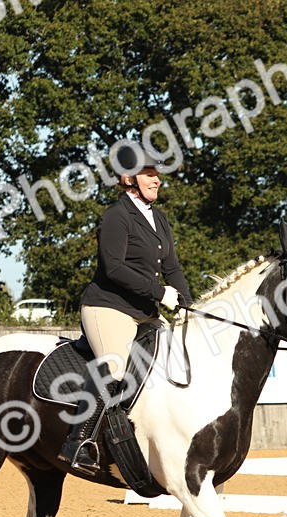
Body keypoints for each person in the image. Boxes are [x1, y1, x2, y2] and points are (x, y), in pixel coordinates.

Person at [58, 147, 193, 473]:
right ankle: (79, 443)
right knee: (115, 367)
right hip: (109, 307)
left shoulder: (158, 218)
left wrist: (188, 302)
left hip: (144, 310)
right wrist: (161, 293)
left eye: (157, 174)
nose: (157, 180)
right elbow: (114, 268)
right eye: (150, 174)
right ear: (127, 178)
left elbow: (172, 268)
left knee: (169, 366)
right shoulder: (116, 216)